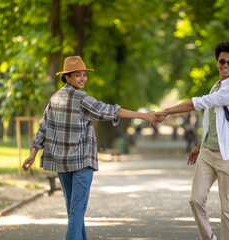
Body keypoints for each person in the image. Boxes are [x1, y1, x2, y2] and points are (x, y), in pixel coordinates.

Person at [22, 56, 156, 240]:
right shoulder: (82, 98)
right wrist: (144, 115)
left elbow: (43, 126)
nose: (83, 78)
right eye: (78, 75)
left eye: (84, 75)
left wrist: (33, 153)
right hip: (82, 161)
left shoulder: (55, 98)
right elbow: (112, 110)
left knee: (74, 211)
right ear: (67, 77)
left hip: (62, 162)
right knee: (76, 211)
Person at [154, 41, 229, 240]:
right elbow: (213, 122)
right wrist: (198, 146)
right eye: (222, 61)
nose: (226, 66)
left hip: (228, 155)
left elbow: (200, 103)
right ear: (217, 62)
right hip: (207, 154)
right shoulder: (217, 86)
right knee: (196, 201)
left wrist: (165, 112)